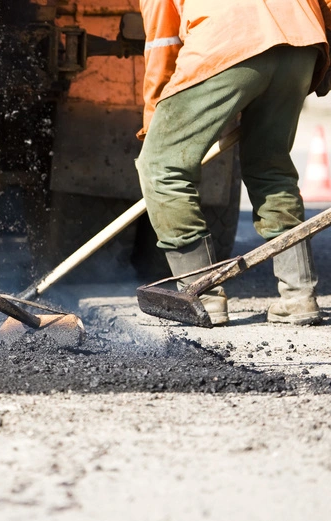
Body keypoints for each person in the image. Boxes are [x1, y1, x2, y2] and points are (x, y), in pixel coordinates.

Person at [137, 0, 331, 326]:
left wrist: (155, 120)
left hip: (229, 41)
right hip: (302, 45)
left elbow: (163, 44)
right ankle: (299, 297)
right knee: (270, 165)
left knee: (162, 167)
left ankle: (202, 295)